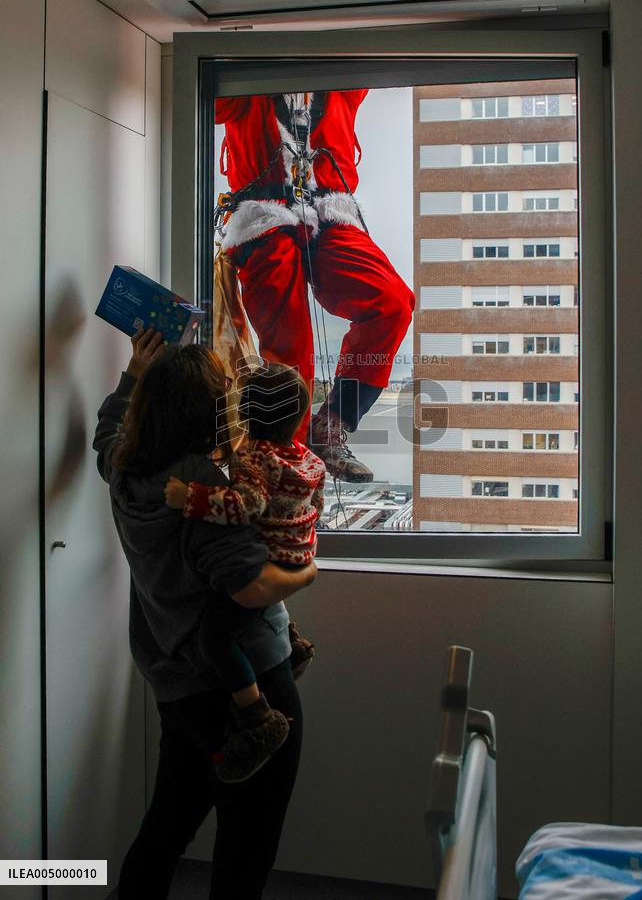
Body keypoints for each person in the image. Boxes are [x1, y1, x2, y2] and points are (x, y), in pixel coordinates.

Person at [93, 329, 316, 900]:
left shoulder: (125, 472)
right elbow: (250, 587)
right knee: (246, 852)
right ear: (215, 415)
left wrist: (133, 376)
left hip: (178, 689)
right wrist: (308, 573)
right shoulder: (206, 485)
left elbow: (107, 436)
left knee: (164, 831)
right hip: (249, 690)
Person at [214, 89, 415, 483]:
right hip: (263, 214)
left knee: (392, 303)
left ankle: (332, 424)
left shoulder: (339, 84)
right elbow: (214, 97)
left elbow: (368, 54)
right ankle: (290, 454)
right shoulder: (246, 88)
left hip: (331, 209)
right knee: (291, 344)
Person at [165, 362, 325, 783]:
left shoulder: (257, 456)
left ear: (247, 415)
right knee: (255, 602)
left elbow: (247, 505)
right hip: (298, 552)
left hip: (269, 557)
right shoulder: (307, 459)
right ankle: (295, 642)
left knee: (214, 636)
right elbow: (316, 507)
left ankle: (256, 716)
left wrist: (192, 498)